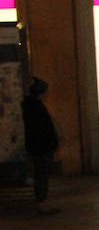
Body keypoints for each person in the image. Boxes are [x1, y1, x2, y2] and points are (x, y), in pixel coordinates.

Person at [21, 76, 60, 215]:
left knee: (41, 174)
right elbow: (42, 129)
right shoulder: (36, 108)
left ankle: (42, 201)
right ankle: (41, 201)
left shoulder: (30, 107)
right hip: (42, 147)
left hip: (39, 146)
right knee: (41, 174)